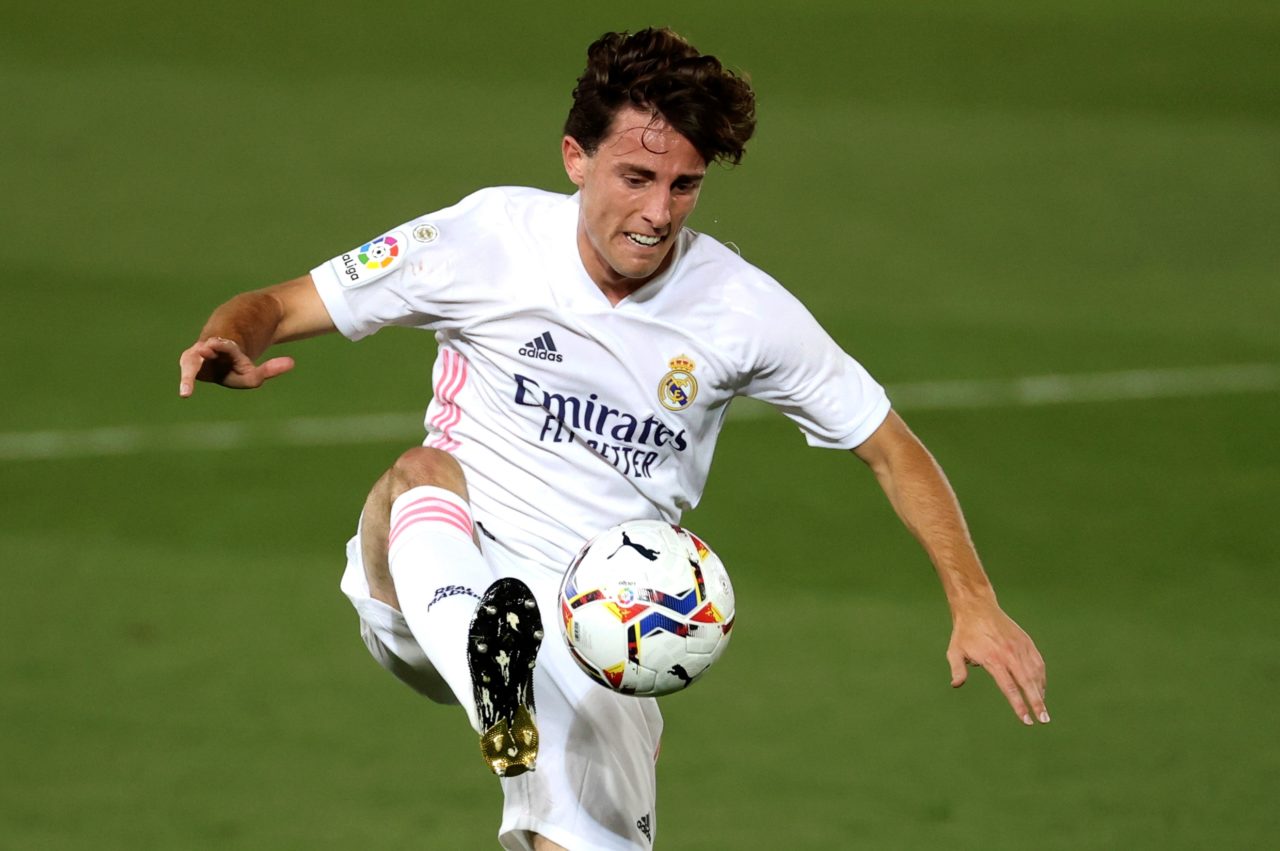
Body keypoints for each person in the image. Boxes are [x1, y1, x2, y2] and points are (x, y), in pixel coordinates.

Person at [177, 27, 1049, 851]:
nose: (657, 212)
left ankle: (519, 705)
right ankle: (502, 687)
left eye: (683, 186)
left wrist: (974, 598)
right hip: (441, 562)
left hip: (611, 628)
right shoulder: (485, 240)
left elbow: (890, 445)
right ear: (574, 157)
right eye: (635, 177)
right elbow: (283, 302)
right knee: (418, 473)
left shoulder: (740, 310)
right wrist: (231, 339)